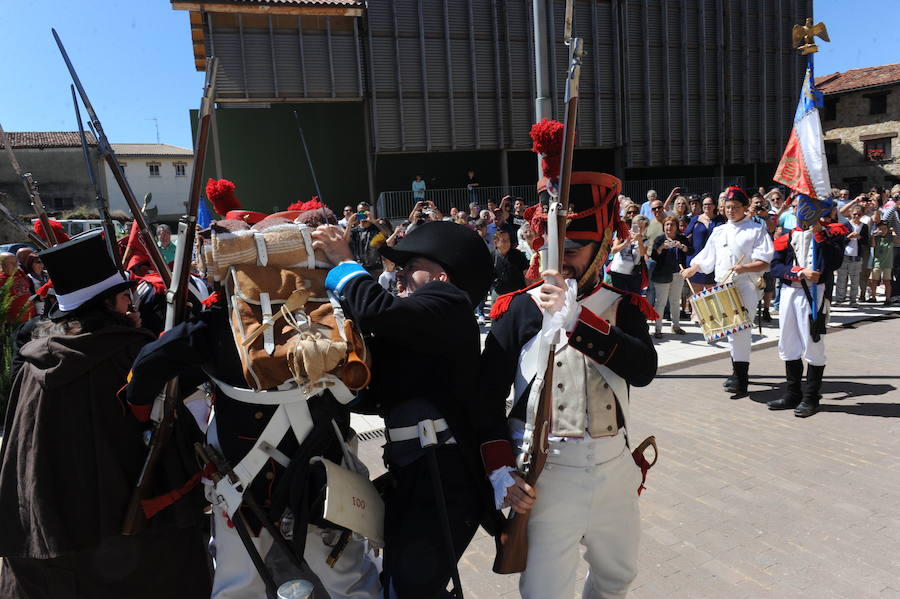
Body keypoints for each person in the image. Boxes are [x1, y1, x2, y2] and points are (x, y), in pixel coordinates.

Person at [124, 187, 381, 599]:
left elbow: (151, 363)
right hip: (326, 473)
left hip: (244, 481)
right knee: (350, 581)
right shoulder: (337, 310)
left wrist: (140, 408)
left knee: (238, 584)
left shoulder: (217, 323)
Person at [482, 120, 657, 599]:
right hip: (546, 472)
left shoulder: (623, 304)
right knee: (544, 591)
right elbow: (484, 400)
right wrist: (500, 471)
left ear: (601, 246)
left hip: (614, 464)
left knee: (617, 577)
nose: (561, 261)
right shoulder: (516, 308)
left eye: (576, 249)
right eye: (554, 247)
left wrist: (578, 319)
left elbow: (643, 370)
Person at [310, 220, 520, 598]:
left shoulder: (449, 301)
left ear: (442, 274)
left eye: (411, 266)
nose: (401, 274)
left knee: (411, 588)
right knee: (403, 584)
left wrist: (345, 262)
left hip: (445, 474)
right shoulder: (423, 322)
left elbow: (378, 311)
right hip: (415, 469)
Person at [0, 230, 211, 599]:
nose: (133, 305)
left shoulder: (34, 361)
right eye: (126, 298)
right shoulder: (134, 354)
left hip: (47, 531)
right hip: (133, 545)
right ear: (110, 303)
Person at [681, 186, 774, 398]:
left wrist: (744, 268)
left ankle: (742, 380)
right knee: (730, 331)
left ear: (744, 207)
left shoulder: (755, 229)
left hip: (745, 286)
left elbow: (764, 261)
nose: (730, 211)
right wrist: (693, 268)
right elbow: (707, 256)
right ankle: (736, 373)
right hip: (722, 286)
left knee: (741, 331)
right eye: (727, 207)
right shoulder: (719, 230)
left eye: (734, 207)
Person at [767, 211, 849, 417]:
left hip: (814, 293)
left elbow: (834, 262)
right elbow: (775, 266)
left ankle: (811, 397)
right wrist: (799, 272)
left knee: (813, 343)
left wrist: (820, 235)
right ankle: (793, 393)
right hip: (789, 292)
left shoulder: (829, 234)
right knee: (788, 342)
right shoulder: (787, 236)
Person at [650, 216, 692, 338]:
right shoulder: (660, 239)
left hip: (678, 273)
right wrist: (661, 248)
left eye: (672, 225)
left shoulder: (681, 238)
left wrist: (682, 247)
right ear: (664, 227)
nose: (669, 227)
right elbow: (653, 255)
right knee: (660, 303)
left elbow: (690, 250)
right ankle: (658, 329)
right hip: (662, 274)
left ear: (676, 227)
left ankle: (676, 326)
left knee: (675, 301)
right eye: (667, 224)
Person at [684, 194, 725, 289]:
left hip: (713, 260)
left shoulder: (720, 220)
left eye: (709, 204)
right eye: (705, 204)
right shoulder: (695, 220)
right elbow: (687, 236)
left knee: (712, 293)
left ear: (714, 206)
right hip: (696, 258)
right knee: (695, 294)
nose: (707, 206)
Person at [833, 208, 869, 306]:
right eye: (854, 214)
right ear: (850, 214)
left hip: (857, 256)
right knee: (841, 279)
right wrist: (848, 237)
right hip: (845, 255)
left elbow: (866, 242)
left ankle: (853, 300)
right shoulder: (845, 225)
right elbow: (839, 240)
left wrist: (860, 237)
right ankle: (839, 299)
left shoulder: (864, 226)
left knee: (855, 280)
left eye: (859, 214)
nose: (857, 216)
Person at [608, 214, 649, 293]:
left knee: (631, 299)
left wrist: (639, 240)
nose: (639, 229)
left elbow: (642, 254)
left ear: (645, 229)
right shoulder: (622, 234)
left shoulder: (645, 240)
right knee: (618, 298)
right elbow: (613, 250)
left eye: (641, 227)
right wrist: (626, 242)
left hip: (633, 274)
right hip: (617, 272)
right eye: (637, 226)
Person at [344, 204, 384, 277]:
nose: (363, 214)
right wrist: (349, 224)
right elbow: (344, 242)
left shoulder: (376, 228)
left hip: (376, 269)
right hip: (360, 269)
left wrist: (373, 221)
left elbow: (387, 233)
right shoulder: (354, 231)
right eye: (361, 212)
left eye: (366, 211)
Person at [490, 229, 529, 296]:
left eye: (508, 240)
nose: (507, 243)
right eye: (504, 241)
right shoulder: (491, 257)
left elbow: (526, 274)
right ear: (496, 242)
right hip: (499, 293)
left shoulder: (518, 255)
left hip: (518, 293)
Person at [0, 252, 35, 324]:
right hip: (16, 323)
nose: (15, 265)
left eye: (16, 262)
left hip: (32, 317)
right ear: (2, 265)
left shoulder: (20, 273)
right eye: (11, 263)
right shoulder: (1, 280)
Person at [869, 218, 894, 304]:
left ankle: (888, 299)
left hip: (887, 263)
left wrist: (892, 231)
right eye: (880, 228)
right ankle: (873, 296)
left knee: (887, 281)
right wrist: (873, 235)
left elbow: (897, 239)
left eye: (884, 229)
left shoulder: (891, 238)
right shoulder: (877, 238)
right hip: (877, 262)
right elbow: (872, 245)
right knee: (873, 280)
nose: (882, 231)